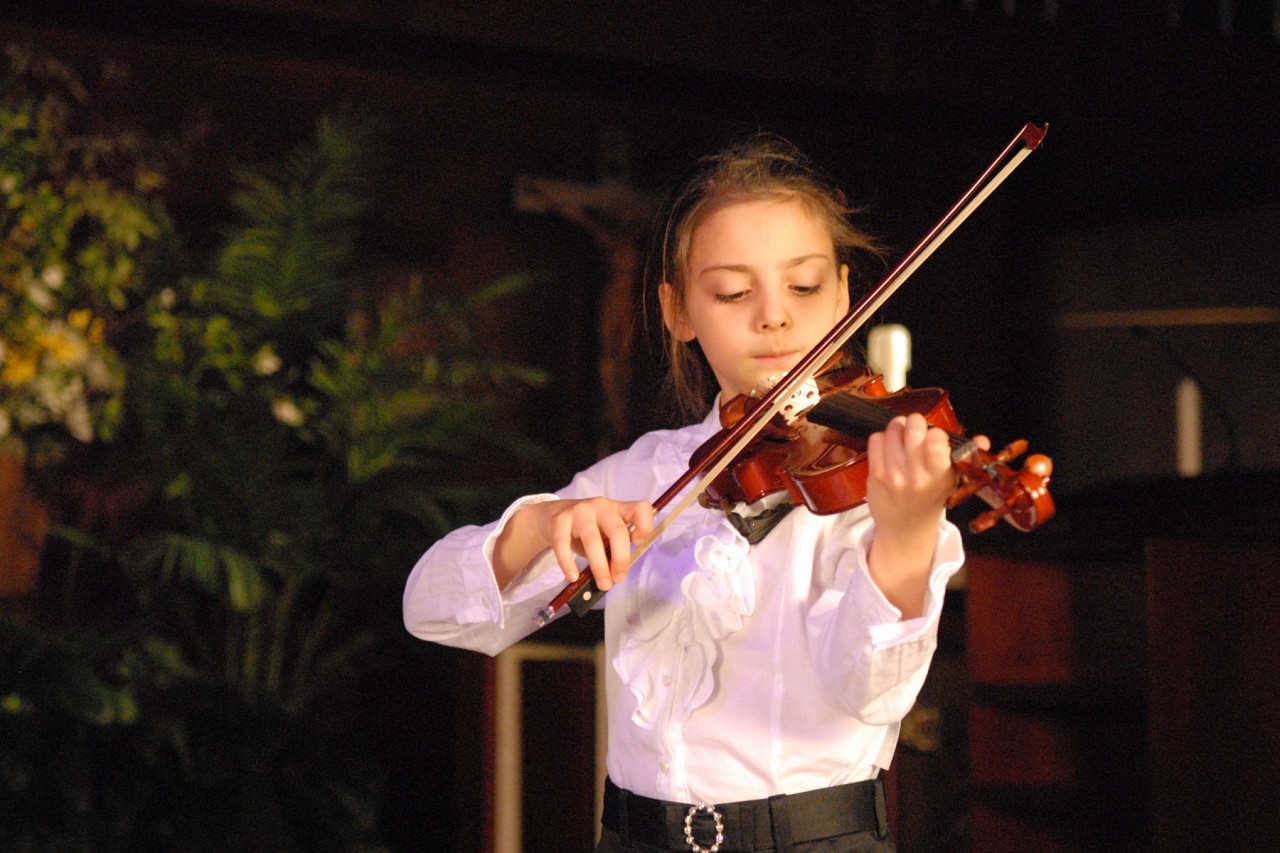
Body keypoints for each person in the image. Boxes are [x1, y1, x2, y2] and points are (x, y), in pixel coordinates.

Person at [403, 133, 977, 853]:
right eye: (734, 291)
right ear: (678, 312)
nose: (773, 315)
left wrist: (901, 540)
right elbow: (431, 613)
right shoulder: (641, 478)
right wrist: (541, 524)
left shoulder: (881, 484)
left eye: (803, 286)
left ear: (845, 295)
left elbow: (870, 692)